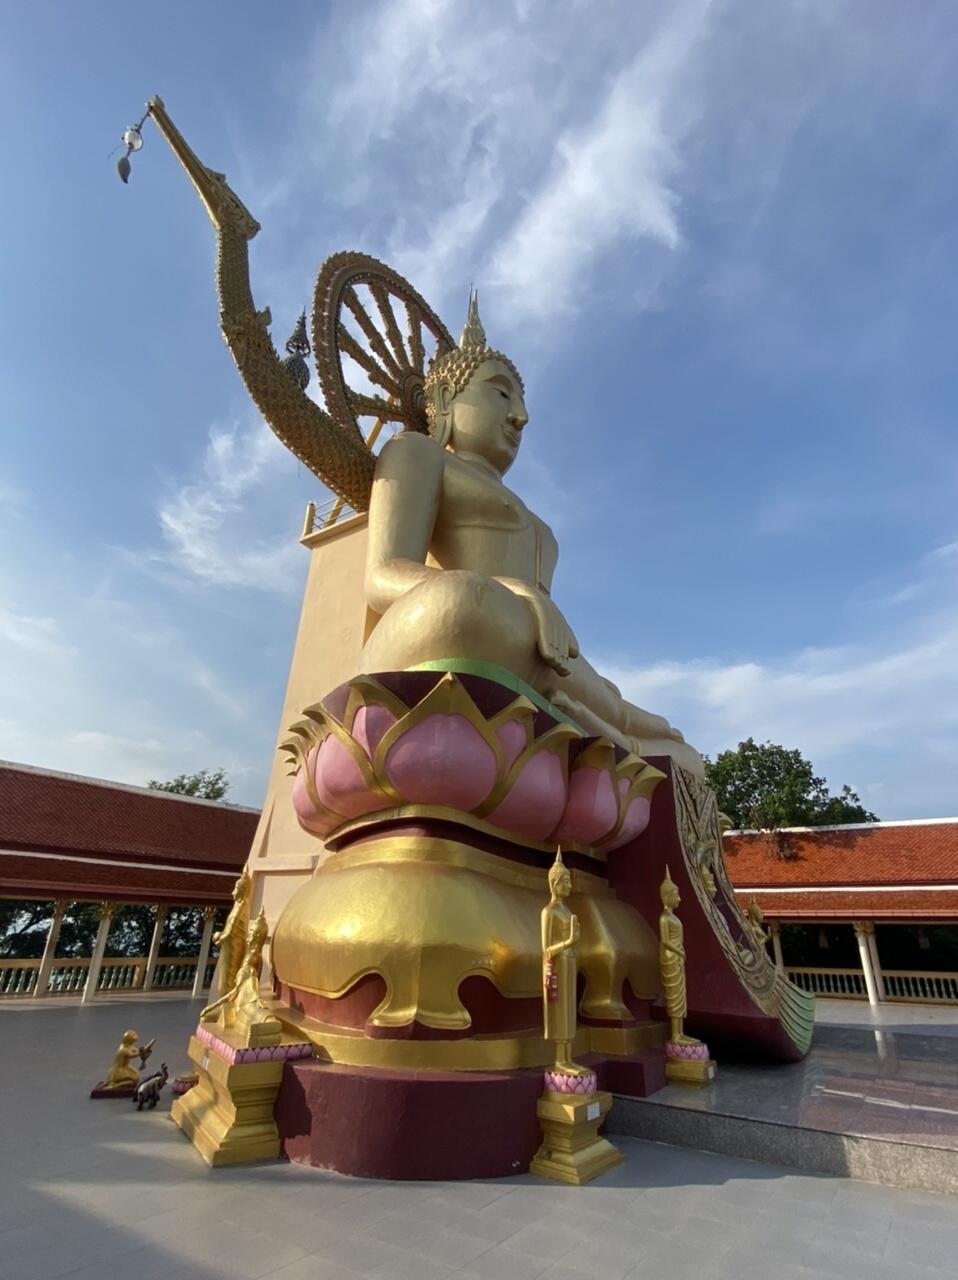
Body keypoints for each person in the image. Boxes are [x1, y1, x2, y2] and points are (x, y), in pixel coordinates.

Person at [361, 294, 702, 775]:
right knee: (462, 602)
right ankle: (597, 736)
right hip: (469, 622)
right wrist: (517, 593)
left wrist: (611, 698)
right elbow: (381, 577)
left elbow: (550, 641)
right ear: (444, 400)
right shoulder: (416, 453)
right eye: (501, 395)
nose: (520, 416)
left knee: (687, 760)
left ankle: (610, 734)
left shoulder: (527, 511)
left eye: (520, 402)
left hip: (535, 653)